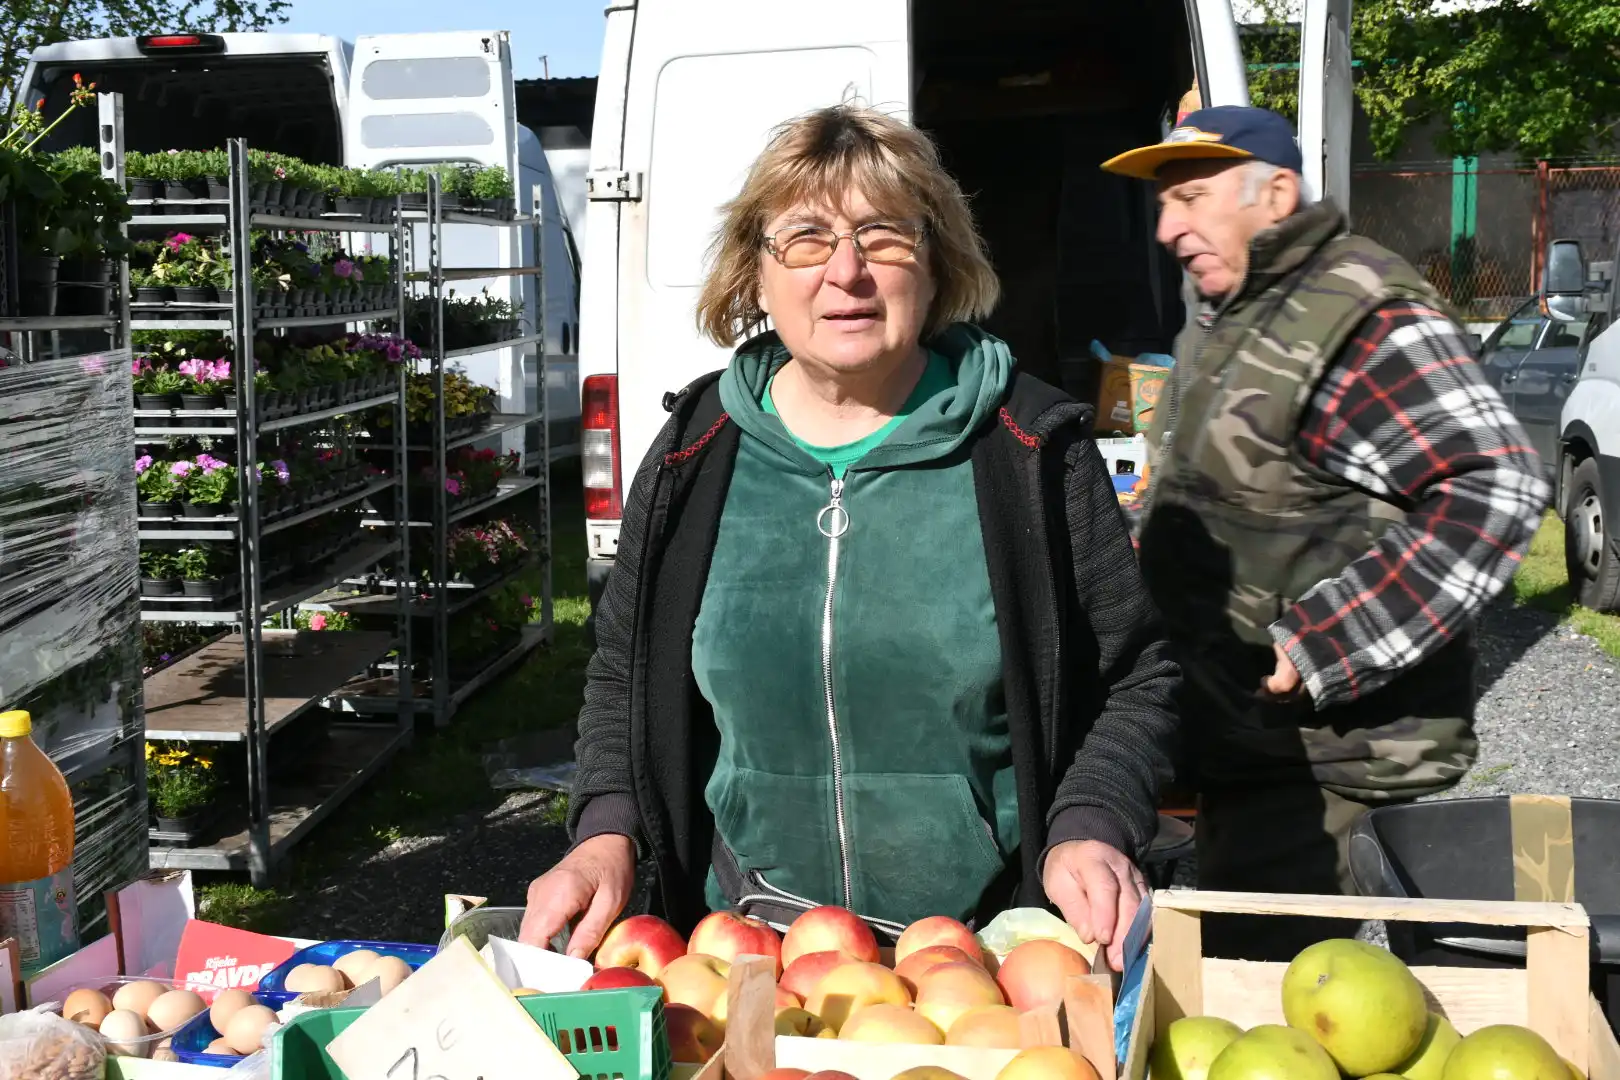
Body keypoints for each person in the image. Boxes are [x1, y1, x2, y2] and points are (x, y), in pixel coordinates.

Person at [520, 104, 1181, 972]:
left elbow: (1139, 674)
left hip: (986, 956)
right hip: (743, 950)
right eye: (804, 238)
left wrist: (1090, 824)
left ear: (937, 264)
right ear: (754, 274)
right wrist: (607, 828)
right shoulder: (695, 452)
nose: (846, 272)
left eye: (884, 236)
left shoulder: (1027, 449)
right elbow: (622, 673)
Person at [1101, 106, 1551, 960]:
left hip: (1336, 766)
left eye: (1191, 197)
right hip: (1253, 751)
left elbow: (1496, 487)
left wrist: (1321, 643)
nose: (1167, 226)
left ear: (1274, 194)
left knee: (1303, 1015)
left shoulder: (1355, 314)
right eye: (1163, 203)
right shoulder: (1236, 314)